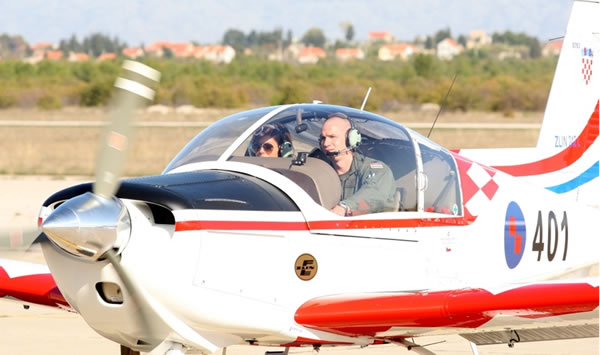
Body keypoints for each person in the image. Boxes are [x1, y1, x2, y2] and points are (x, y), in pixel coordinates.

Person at [320, 113, 396, 216]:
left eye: (332, 137)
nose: (326, 143)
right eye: (323, 138)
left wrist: (344, 208)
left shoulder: (377, 170)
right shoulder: (321, 170)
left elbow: (375, 193)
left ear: (351, 139)